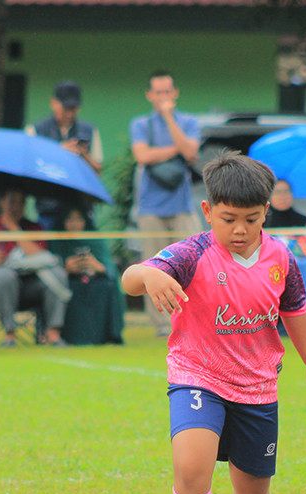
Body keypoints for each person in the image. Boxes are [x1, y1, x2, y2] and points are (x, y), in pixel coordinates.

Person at [120, 152, 306, 494]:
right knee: (191, 466)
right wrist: (146, 273)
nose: (239, 230)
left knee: (253, 484)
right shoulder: (192, 252)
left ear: (266, 212)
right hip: (197, 374)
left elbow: (295, 312)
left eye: (251, 219)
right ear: (208, 212)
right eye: (228, 219)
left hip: (258, 385)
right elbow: (130, 278)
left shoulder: (281, 257)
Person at [129, 70, 202, 337]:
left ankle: (194, 318)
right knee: (154, 266)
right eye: (158, 92)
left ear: (175, 93)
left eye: (167, 92)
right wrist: (176, 150)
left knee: (193, 263)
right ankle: (161, 324)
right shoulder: (140, 124)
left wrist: (170, 119)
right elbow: (142, 155)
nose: (163, 97)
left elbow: (192, 152)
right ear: (149, 95)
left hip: (182, 205)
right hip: (150, 207)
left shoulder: (189, 121)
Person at [0, 190, 70, 347]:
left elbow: (42, 257)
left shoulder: (33, 228)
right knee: (5, 276)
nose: (16, 207)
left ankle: (53, 334)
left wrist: (14, 228)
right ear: (1, 203)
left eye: (21, 203)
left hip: (29, 286)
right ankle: (9, 334)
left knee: (57, 274)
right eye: (12, 202)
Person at [26, 80, 103, 230]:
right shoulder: (35, 130)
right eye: (66, 108)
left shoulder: (90, 130)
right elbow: (30, 170)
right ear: (54, 103)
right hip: (48, 209)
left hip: (80, 210)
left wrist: (83, 154)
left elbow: (98, 170)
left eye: (74, 109)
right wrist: (58, 151)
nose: (69, 114)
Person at [46, 205, 124, 345]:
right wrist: (67, 267)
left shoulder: (95, 239)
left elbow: (109, 269)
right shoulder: (57, 240)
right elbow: (52, 266)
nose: (74, 224)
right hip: (68, 283)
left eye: (78, 219)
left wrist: (97, 266)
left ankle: (110, 335)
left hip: (96, 282)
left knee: (108, 287)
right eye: (69, 220)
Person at [266, 179, 306, 329]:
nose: (282, 196)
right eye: (277, 192)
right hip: (271, 263)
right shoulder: (263, 220)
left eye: (286, 192)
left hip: (301, 263)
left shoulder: (303, 220)